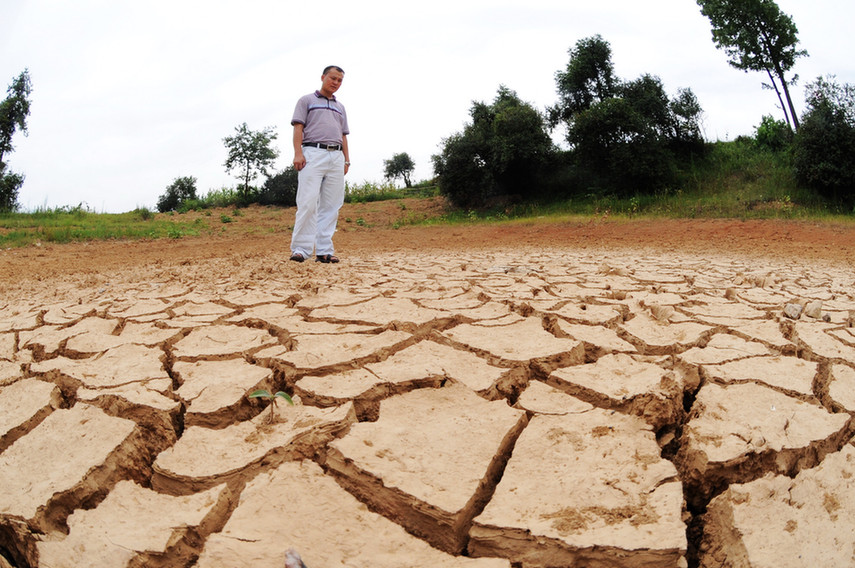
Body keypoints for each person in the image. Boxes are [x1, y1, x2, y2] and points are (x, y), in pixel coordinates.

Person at [289, 65, 350, 263]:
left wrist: (346, 159)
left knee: (332, 205)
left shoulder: (340, 107)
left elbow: (343, 135)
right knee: (307, 201)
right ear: (323, 77)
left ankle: (324, 251)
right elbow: (298, 127)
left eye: (340, 80)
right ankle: (301, 249)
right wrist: (298, 153)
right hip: (312, 153)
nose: (336, 83)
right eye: (333, 78)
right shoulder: (306, 101)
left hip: (336, 156)